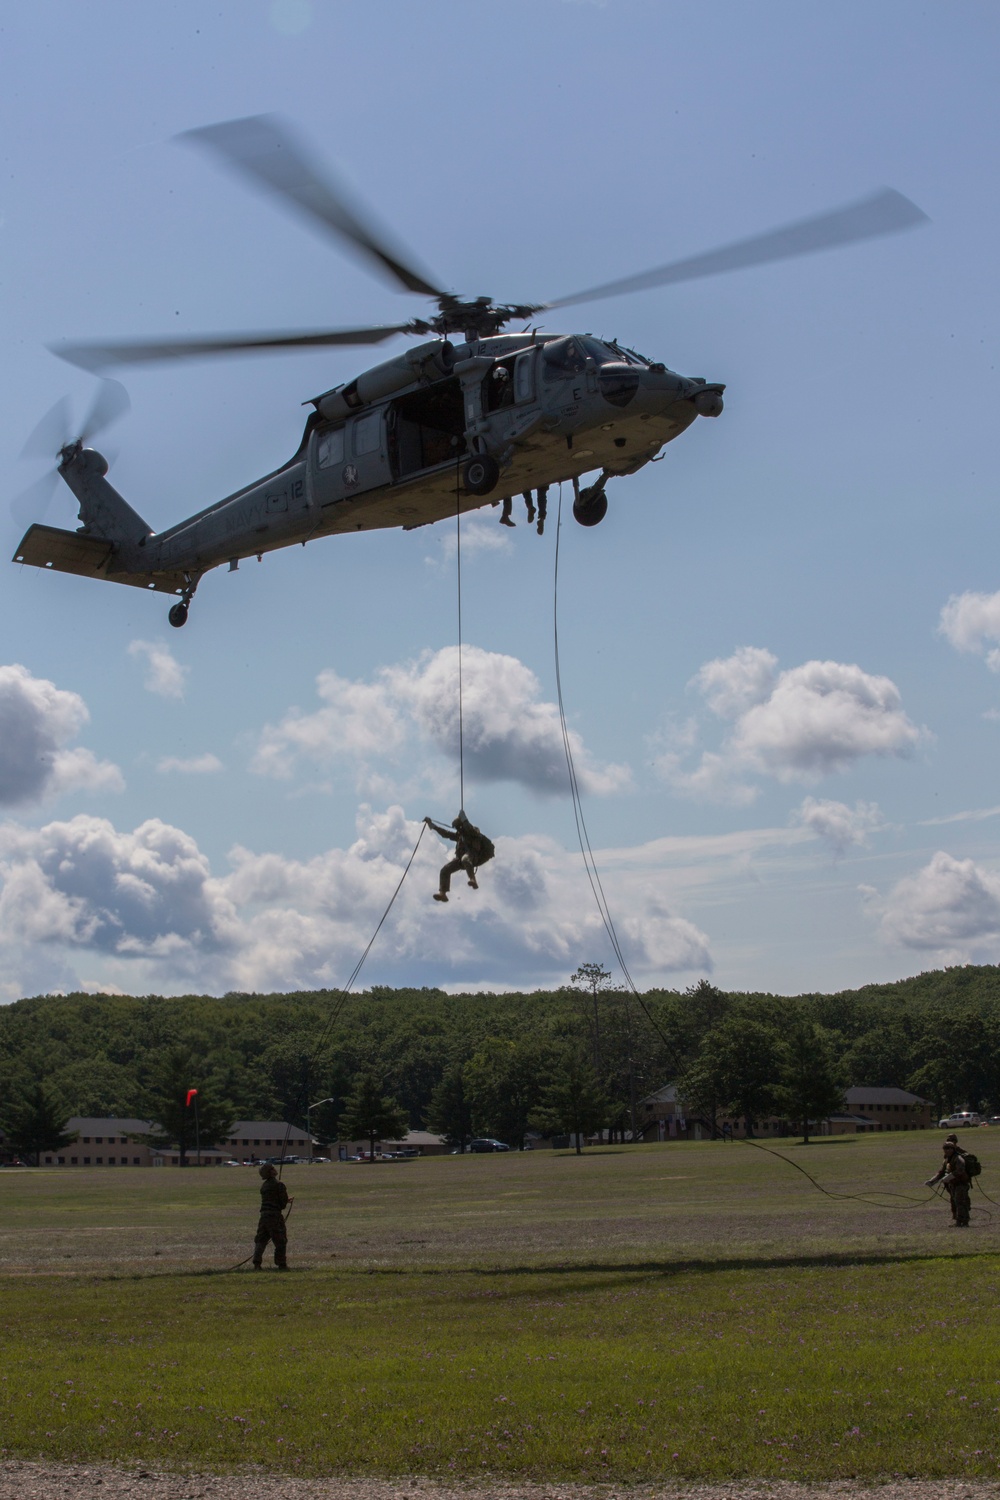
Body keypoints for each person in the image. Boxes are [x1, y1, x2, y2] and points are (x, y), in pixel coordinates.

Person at [424, 811, 495, 902]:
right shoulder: (460, 836)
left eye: (458, 827)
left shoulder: (472, 832)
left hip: (473, 856)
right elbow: (446, 834)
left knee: (465, 859)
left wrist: (464, 817)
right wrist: (432, 825)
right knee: (445, 870)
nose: (457, 829)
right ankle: (443, 893)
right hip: (461, 860)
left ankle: (472, 879)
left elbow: (468, 827)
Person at [252, 1163, 290, 1268]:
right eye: (272, 1168)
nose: (275, 1169)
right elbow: (282, 1204)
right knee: (280, 1240)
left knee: (261, 1240)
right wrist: (287, 1201)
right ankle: (281, 1263)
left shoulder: (264, 1186)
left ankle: (256, 1262)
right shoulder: (279, 1185)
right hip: (274, 1216)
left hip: (264, 1216)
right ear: (270, 1172)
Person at [926, 1140, 970, 1227]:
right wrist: (932, 1181)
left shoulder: (958, 1159)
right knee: (955, 1202)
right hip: (953, 1185)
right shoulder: (946, 1160)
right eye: (945, 1148)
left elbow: (960, 1171)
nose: (947, 1150)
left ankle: (963, 1222)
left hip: (961, 1184)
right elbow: (941, 1172)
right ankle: (960, 1221)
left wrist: (948, 1177)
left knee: (960, 1202)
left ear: (953, 1149)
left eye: (949, 1148)